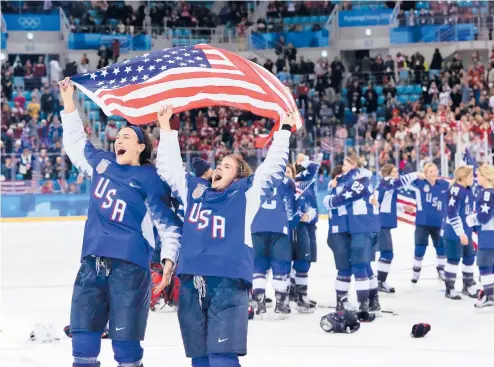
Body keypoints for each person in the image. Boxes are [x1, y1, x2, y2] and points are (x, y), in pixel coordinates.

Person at [155, 105, 297, 367]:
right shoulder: (195, 190)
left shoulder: (246, 194)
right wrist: (167, 130)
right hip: (190, 283)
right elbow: (169, 169)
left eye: (227, 166)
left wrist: (284, 131)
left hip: (228, 283)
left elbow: (272, 168)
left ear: (238, 175)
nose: (219, 168)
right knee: (199, 359)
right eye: (219, 164)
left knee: (222, 359)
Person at [59, 78, 182, 367]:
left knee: (126, 349)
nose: (119, 140)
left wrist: (168, 261)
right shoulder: (102, 164)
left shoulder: (151, 179)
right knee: (83, 344)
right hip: (92, 265)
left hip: (130, 269)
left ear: (141, 147)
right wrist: (68, 101)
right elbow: (75, 142)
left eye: (127, 136)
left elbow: (169, 226)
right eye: (119, 136)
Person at [325, 155, 380, 317]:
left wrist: (328, 199)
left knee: (361, 266)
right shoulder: (338, 186)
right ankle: (350, 302)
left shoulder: (361, 181)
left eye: (346, 164)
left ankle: (368, 302)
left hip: (359, 230)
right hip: (342, 232)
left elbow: (347, 196)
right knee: (350, 268)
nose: (343, 168)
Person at [251, 162, 296, 318]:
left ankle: (259, 302)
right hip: (279, 227)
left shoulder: (253, 180)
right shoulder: (287, 181)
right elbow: (292, 208)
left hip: (256, 227)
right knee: (280, 266)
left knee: (258, 267)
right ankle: (281, 304)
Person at [376, 164, 423, 293]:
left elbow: (387, 204)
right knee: (387, 253)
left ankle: (379, 281)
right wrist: (415, 174)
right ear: (388, 173)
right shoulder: (386, 181)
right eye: (395, 172)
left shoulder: (388, 186)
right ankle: (379, 281)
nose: (397, 174)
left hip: (382, 223)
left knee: (384, 254)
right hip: (381, 224)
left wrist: (402, 208)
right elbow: (400, 182)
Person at [289, 153, 320, 310]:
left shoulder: (307, 183)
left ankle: (296, 294)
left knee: (305, 262)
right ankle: (298, 296)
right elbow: (314, 166)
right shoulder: (297, 184)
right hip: (299, 227)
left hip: (310, 226)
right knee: (301, 262)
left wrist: (312, 216)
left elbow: (314, 167)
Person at [409, 163, 449, 284]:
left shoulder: (443, 184)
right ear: (425, 173)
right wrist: (416, 174)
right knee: (420, 248)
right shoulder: (419, 184)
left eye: (435, 170)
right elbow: (403, 181)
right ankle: (416, 272)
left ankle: (441, 270)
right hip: (423, 223)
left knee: (441, 247)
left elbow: (456, 183)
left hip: (438, 222)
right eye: (430, 171)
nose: (434, 173)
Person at [442, 166, 477, 300]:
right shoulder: (456, 191)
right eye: (471, 176)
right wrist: (460, 232)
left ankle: (468, 285)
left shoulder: (467, 190)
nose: (473, 179)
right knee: (453, 259)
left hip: (465, 230)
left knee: (469, 257)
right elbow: (452, 213)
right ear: (463, 178)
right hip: (454, 232)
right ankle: (449, 288)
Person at [324, 165, 352, 311]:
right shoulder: (337, 190)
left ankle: (343, 299)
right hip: (337, 233)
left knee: (347, 268)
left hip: (342, 233)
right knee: (344, 268)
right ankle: (341, 301)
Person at [466, 164, 494, 308]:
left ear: (484, 176)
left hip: (488, 234)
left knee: (484, 265)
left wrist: (473, 219)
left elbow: (485, 215)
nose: (477, 178)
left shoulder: (487, 193)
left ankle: (490, 296)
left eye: (478, 175)